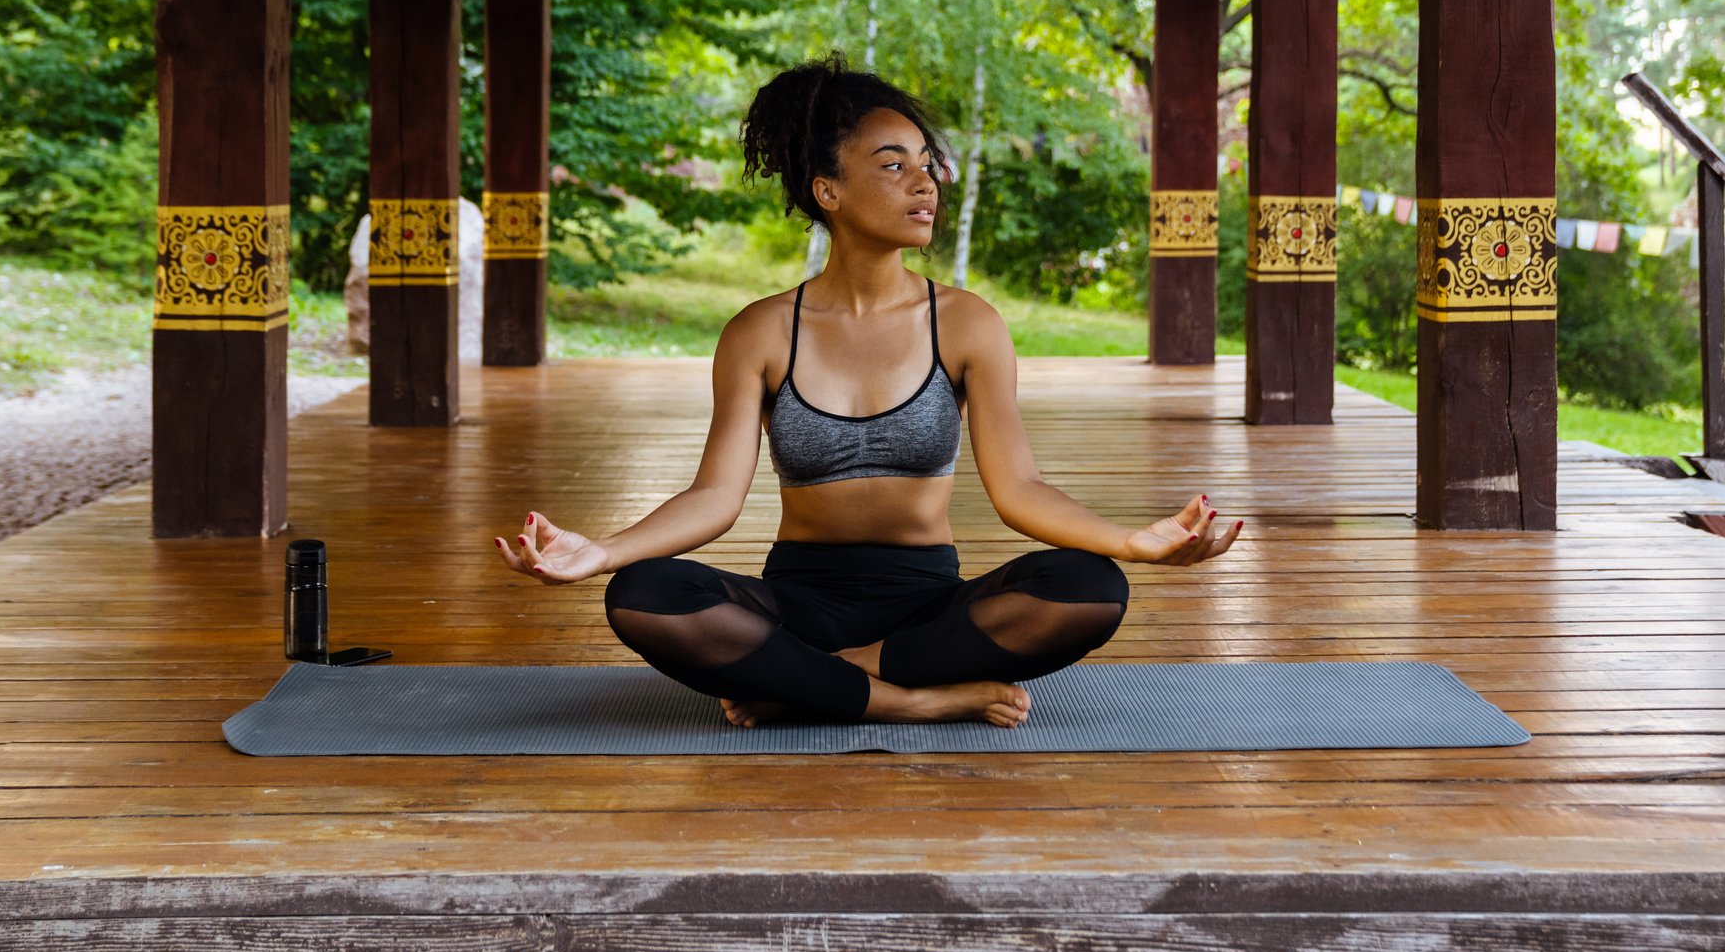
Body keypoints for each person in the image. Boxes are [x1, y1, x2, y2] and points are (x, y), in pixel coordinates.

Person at [495, 55, 1241, 727]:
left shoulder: (967, 323)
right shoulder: (759, 333)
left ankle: (823, 685)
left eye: (926, 162)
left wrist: (1131, 541)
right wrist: (602, 553)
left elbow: (1020, 490)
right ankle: (911, 700)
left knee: (1089, 586)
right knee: (642, 595)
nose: (925, 182)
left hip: (930, 611)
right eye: (893, 165)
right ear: (830, 190)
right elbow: (714, 500)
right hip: (797, 606)